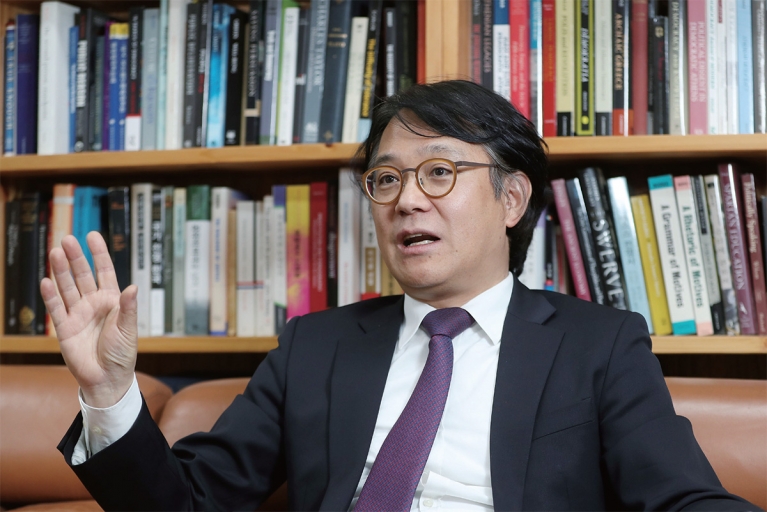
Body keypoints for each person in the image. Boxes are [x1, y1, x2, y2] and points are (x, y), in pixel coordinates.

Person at [43, 80, 759, 511]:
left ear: (512, 199)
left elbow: (683, 498)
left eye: (439, 172)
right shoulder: (316, 346)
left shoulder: (597, 344)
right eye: (386, 180)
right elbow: (187, 504)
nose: (407, 200)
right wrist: (108, 392)